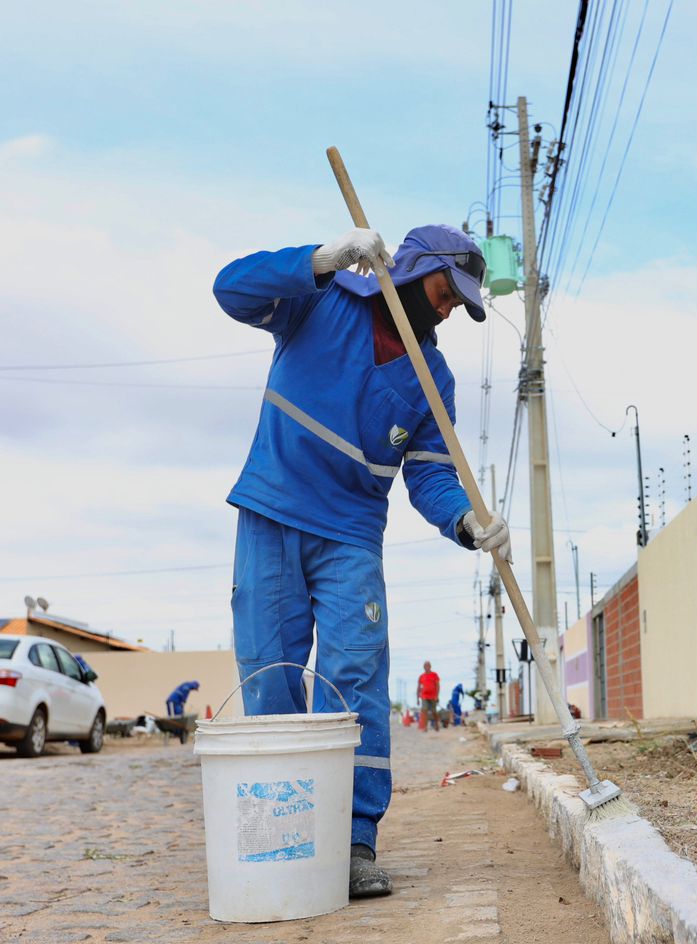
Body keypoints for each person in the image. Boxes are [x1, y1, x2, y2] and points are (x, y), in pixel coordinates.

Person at [214, 226, 512, 899]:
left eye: (457, 306)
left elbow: (434, 479)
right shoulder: (321, 300)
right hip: (271, 510)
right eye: (443, 294)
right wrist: (316, 261)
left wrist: (468, 520)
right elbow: (230, 289)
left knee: (356, 682)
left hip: (351, 535)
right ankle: (278, 841)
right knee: (270, 677)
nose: (444, 312)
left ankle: (352, 843)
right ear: (412, 269)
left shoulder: (433, 380)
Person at [417, 662, 441, 733]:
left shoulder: (434, 675)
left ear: (430, 666)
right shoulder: (422, 676)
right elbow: (418, 687)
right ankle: (425, 727)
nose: (427, 667)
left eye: (428, 666)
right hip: (424, 696)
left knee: (434, 711)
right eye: (425, 666)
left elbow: (438, 686)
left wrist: (437, 696)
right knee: (424, 710)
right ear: (423, 667)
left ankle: (437, 724)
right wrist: (417, 698)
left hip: (433, 696)